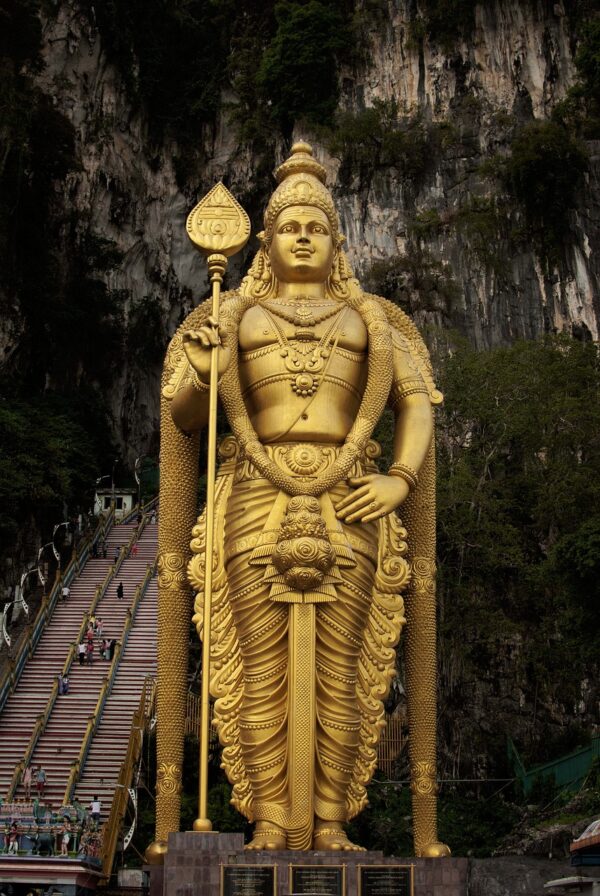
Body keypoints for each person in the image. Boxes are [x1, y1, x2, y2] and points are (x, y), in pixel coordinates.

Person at [149, 144, 449, 859]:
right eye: (290, 226)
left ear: (338, 240)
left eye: (317, 224)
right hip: (255, 495)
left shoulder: (373, 319)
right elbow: (185, 414)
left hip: (353, 500)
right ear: (267, 241)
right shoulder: (233, 312)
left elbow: (416, 404)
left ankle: (331, 823)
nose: (305, 235)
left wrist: (399, 478)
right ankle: (271, 823)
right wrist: (204, 361)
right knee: (258, 669)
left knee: (343, 671)